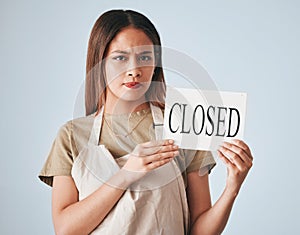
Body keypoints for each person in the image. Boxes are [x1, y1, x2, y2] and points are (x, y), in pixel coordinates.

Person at [39, 9, 253, 235]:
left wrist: (232, 187)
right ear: (99, 63)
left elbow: (199, 231)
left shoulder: (184, 125)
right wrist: (127, 174)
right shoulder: (72, 135)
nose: (134, 70)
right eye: (120, 58)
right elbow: (65, 229)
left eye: (145, 57)